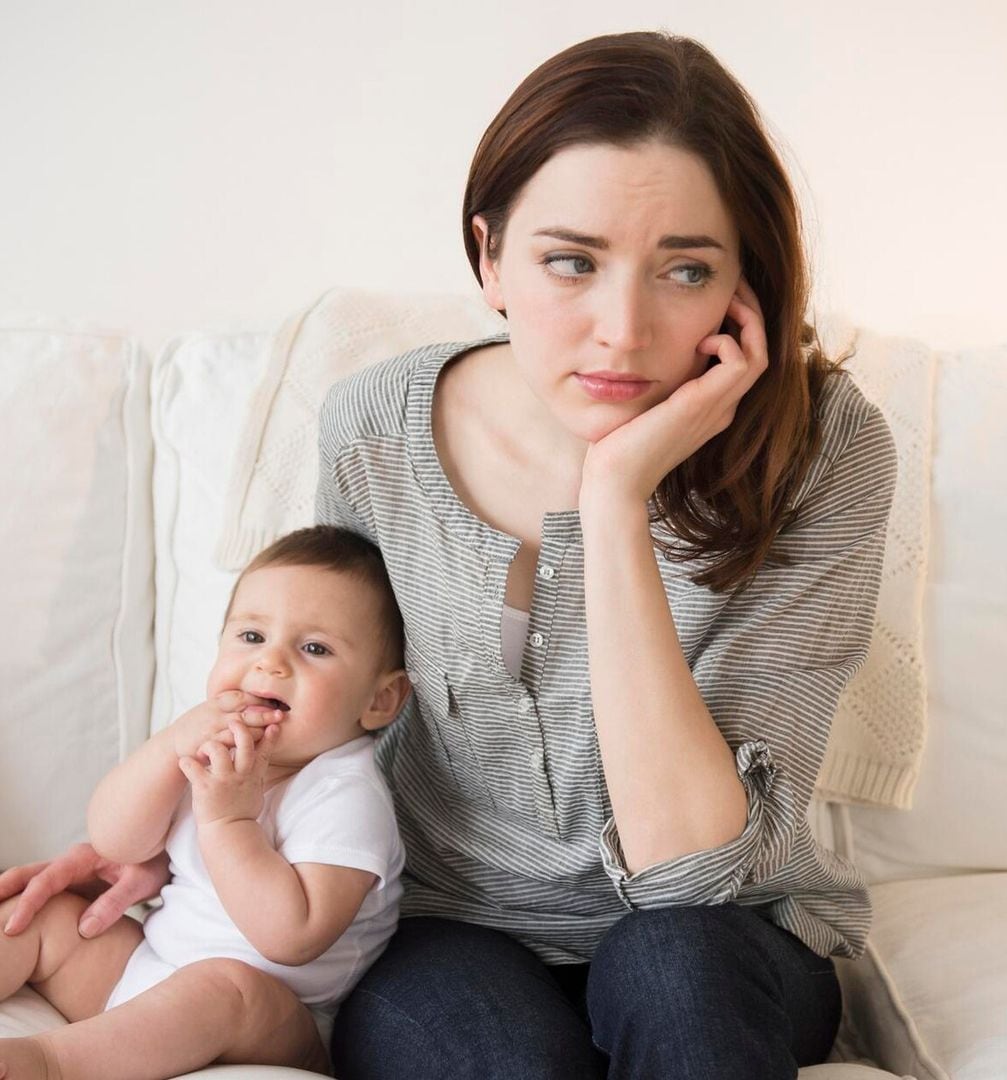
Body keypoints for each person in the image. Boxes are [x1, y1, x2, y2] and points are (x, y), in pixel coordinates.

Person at [1, 29, 898, 1080]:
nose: (621, 329)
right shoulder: (378, 427)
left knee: (674, 976)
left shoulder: (824, 450)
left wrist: (613, 496)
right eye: (571, 261)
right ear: (489, 260)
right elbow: (326, 690)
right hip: (447, 925)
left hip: (723, 932)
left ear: (745, 285)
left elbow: (691, 870)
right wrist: (165, 832)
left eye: (685, 270)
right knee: (490, 1053)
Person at [0, 526, 411, 1079]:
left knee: (226, 986)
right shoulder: (212, 748)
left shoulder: (346, 793)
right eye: (250, 636)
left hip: (263, 1023)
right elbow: (115, 841)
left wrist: (228, 819)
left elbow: (293, 936)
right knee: (44, 918)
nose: (271, 665)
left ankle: (50, 1063)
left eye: (314, 648)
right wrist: (169, 748)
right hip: (148, 974)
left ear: (380, 700)